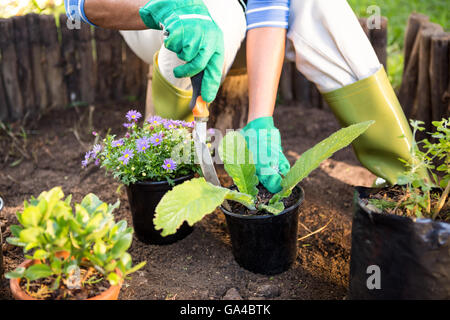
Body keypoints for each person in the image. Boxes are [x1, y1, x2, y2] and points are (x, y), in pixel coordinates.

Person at [64, 0, 418, 193]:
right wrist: (164, 8)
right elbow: (76, 5)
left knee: (322, 6)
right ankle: (167, 157)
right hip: (156, 19)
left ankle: (405, 177)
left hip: (253, 25)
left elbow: (268, 5)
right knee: (220, 9)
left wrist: (260, 118)